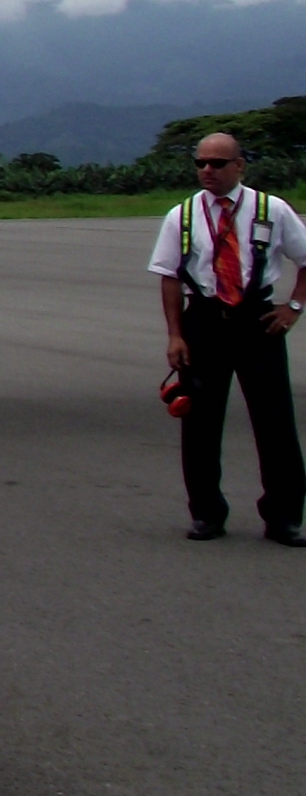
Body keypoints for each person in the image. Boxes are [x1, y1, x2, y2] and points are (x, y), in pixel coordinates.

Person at [147, 132, 306, 545]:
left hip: (258, 323)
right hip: (205, 322)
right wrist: (176, 336)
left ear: (240, 166)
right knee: (200, 423)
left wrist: (293, 308)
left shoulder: (273, 210)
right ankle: (206, 514)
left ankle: (284, 517)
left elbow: (305, 260)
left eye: (217, 163)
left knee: (276, 424)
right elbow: (168, 275)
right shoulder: (181, 216)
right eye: (201, 162)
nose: (207, 170)